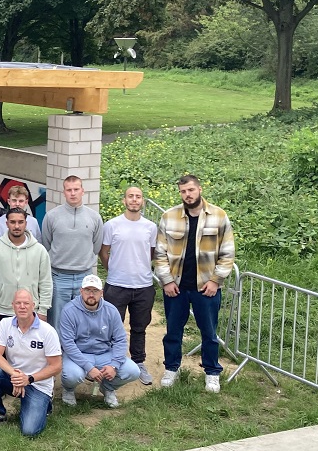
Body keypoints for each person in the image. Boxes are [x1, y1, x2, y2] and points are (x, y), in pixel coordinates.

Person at [153, 174, 235, 393]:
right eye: (183, 191)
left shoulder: (219, 216)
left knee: (209, 332)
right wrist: (167, 281)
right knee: (173, 331)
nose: (187, 195)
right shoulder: (169, 217)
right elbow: (159, 254)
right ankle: (171, 368)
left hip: (206, 287)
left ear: (199, 189)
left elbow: (227, 254)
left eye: (190, 190)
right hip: (176, 287)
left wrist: (216, 281)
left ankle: (212, 372)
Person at [0, 289, 62, 436]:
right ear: (13, 305)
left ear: (33, 305)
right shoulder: (5, 324)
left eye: (26, 303)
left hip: (38, 384)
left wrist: (28, 379)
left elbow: (56, 366)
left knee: (29, 431)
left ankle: (46, 404)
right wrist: (16, 376)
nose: (22, 306)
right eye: (18, 303)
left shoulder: (47, 331)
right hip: (15, 378)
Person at [99, 186, 158, 385]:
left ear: (142, 201)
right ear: (124, 200)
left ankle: (139, 362)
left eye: (138, 197)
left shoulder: (150, 227)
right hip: (116, 285)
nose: (134, 200)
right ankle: (110, 363)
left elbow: (150, 254)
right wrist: (114, 269)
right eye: (130, 196)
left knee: (139, 327)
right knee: (112, 327)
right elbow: (104, 252)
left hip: (143, 285)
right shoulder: (112, 225)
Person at [58, 275, 141, 408]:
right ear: (81, 291)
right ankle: (68, 389)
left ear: (101, 293)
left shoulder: (111, 310)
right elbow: (67, 344)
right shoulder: (69, 311)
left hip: (104, 353)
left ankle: (107, 387)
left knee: (133, 371)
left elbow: (120, 340)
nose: (91, 294)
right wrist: (89, 368)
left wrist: (114, 365)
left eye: (95, 291)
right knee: (72, 375)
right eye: (87, 290)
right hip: (79, 353)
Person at [42, 175, 103, 330]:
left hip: (84, 276)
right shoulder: (51, 216)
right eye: (69, 190)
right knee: (57, 321)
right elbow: (46, 244)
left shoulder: (94, 217)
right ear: (64, 192)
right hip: (58, 277)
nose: (73, 193)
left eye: (76, 189)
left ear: (83, 191)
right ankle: (57, 353)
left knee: (83, 320)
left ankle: (77, 353)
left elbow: (96, 247)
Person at [0, 206, 52, 332]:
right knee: (2, 351)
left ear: (26, 223)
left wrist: (43, 310)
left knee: (30, 350)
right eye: (13, 222)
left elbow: (46, 282)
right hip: (2, 310)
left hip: (31, 310)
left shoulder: (39, 250)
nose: (17, 226)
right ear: (7, 223)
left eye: (20, 222)